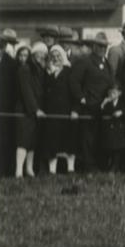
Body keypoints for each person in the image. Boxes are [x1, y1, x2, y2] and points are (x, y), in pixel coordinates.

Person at [69, 32, 114, 173]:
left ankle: (99, 165)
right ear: (94, 46)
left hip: (103, 106)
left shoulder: (107, 64)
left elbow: (111, 83)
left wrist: (112, 93)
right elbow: (74, 81)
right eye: (100, 46)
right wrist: (81, 98)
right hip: (88, 106)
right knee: (87, 138)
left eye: (105, 46)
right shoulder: (85, 61)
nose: (102, 49)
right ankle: (88, 166)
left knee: (101, 137)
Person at [14, 43, 46, 178]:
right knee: (23, 140)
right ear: (34, 55)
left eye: (43, 54)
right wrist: (35, 109)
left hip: (35, 111)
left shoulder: (39, 69)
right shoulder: (25, 69)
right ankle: (19, 171)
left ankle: (29, 169)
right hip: (25, 111)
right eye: (38, 53)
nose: (41, 56)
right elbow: (26, 92)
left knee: (32, 142)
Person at [43, 45, 76, 175]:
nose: (56, 59)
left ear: (63, 57)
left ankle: (70, 168)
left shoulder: (69, 71)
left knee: (69, 141)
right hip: (52, 112)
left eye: (58, 56)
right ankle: (52, 170)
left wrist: (75, 109)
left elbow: (75, 92)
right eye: (53, 57)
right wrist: (51, 75)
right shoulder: (47, 73)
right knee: (52, 141)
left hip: (67, 111)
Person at [0, 29, 19, 176]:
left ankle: (2, 170)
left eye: (1, 45)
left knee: (3, 139)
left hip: (4, 108)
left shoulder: (12, 64)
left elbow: (14, 88)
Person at [100, 86, 125, 172]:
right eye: (110, 93)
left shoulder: (123, 102)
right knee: (110, 148)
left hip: (119, 129)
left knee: (118, 149)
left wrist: (122, 112)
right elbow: (100, 114)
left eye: (114, 93)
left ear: (119, 94)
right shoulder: (107, 103)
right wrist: (103, 104)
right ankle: (110, 166)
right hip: (109, 129)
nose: (111, 95)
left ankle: (116, 166)